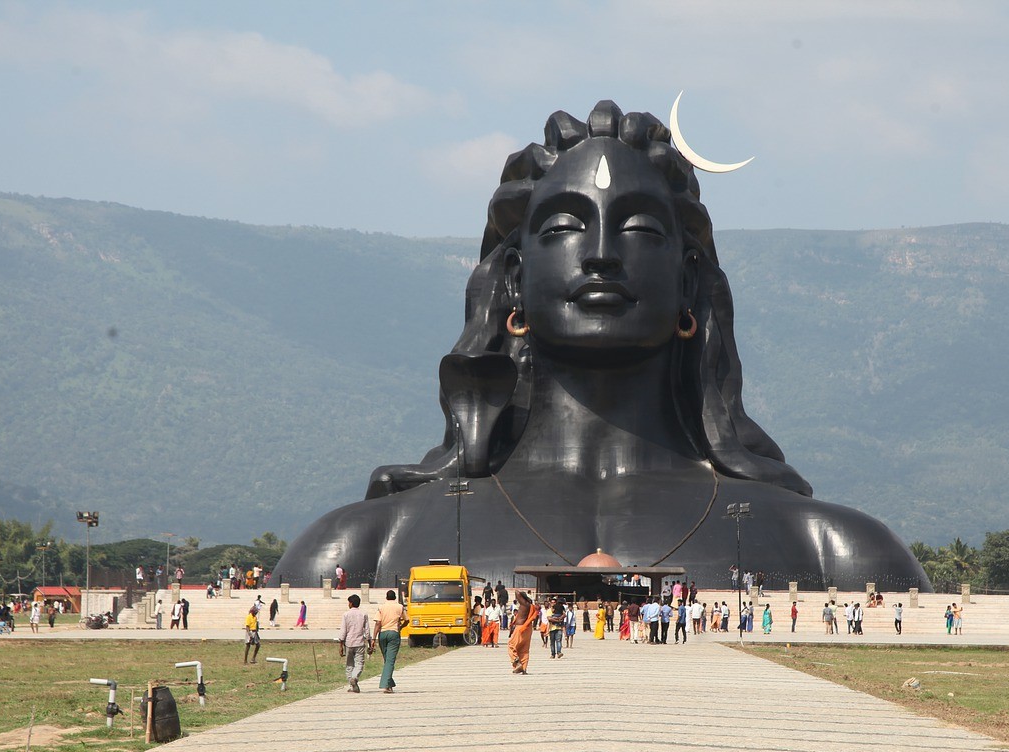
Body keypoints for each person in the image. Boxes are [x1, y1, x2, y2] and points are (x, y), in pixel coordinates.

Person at [274, 101, 930, 596]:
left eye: (639, 227)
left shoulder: (834, 548)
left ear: (689, 281)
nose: (600, 256)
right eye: (565, 225)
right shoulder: (361, 542)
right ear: (514, 281)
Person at [372, 589, 406, 693]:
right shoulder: (399, 607)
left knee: (387, 660)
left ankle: (390, 685)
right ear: (395, 597)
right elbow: (407, 619)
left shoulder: (381, 607)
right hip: (394, 633)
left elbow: (378, 623)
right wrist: (401, 627)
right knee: (390, 661)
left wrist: (373, 638)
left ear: (386, 597)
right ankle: (386, 685)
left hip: (383, 634)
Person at [337, 594, 370, 692]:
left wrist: (341, 645)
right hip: (359, 642)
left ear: (351, 603)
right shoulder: (363, 614)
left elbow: (343, 631)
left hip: (349, 643)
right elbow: (367, 630)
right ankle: (354, 678)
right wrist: (369, 641)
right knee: (359, 663)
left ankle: (351, 684)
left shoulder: (346, 615)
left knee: (349, 664)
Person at [508, 590, 539, 674]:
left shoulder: (524, 604)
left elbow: (516, 592)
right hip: (528, 628)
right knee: (524, 649)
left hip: (521, 628)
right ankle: (524, 669)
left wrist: (524, 597)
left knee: (511, 645)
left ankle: (517, 662)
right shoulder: (529, 605)